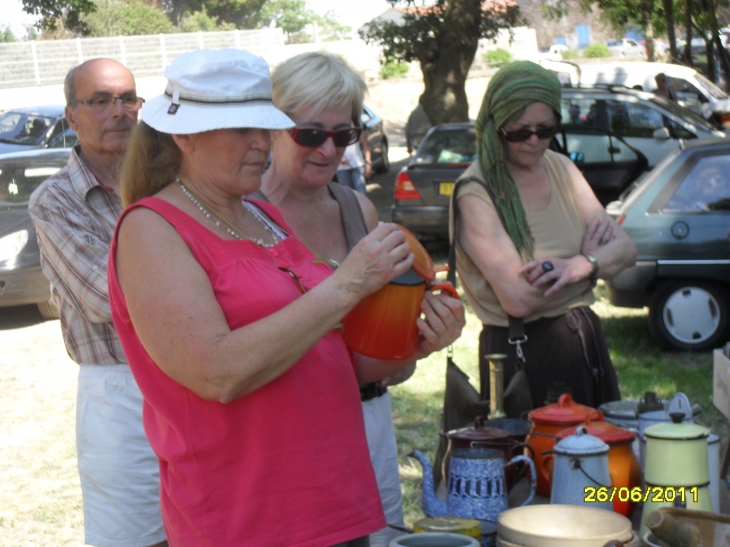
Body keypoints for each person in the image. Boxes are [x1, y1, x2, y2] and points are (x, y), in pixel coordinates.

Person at [109, 48, 442, 547]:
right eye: (242, 130)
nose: (261, 144)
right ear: (183, 136)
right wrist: (347, 284)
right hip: (248, 517)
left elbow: (331, 359)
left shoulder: (265, 217)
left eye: (266, 129)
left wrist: (418, 338)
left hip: (334, 500)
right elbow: (215, 372)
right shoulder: (151, 229)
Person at [257, 51, 465, 547]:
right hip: (284, 435)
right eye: (310, 133)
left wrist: (426, 336)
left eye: (343, 134)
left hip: (368, 422)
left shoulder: (357, 211)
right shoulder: (242, 217)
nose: (328, 150)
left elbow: (385, 355)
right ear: (270, 128)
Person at [28, 60, 167, 547]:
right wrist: (196, 281)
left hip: (197, 377)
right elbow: (103, 296)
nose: (119, 111)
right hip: (120, 390)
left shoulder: (169, 184)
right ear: (72, 116)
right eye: (101, 101)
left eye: (128, 98)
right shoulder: (56, 200)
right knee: (136, 536)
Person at [451, 61, 637, 409]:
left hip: (583, 341)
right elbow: (519, 300)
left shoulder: (562, 168)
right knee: (533, 462)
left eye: (546, 129)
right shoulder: (475, 193)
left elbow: (626, 250)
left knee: (599, 458)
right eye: (520, 132)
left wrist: (579, 266)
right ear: (496, 126)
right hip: (519, 353)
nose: (535, 141)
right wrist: (594, 272)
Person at [336, 129, 371, 194]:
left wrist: (368, 163)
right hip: (341, 168)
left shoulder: (356, 128)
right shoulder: (334, 128)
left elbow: (365, 145)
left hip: (357, 165)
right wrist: (339, 157)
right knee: (346, 195)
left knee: (361, 193)